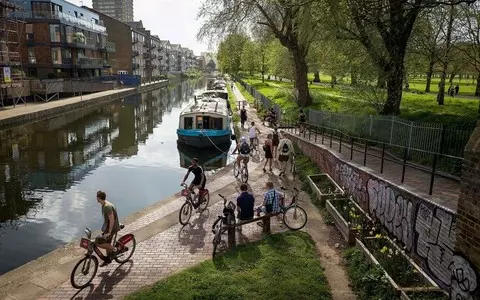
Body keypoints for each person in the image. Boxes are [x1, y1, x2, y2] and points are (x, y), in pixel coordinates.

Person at [95, 191, 121, 266]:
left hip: (112, 228)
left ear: (99, 198)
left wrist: (109, 232)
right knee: (107, 242)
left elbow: (112, 219)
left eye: (96, 197)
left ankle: (115, 249)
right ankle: (108, 259)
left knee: (99, 243)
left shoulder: (107, 207)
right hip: (108, 227)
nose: (96, 198)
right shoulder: (104, 204)